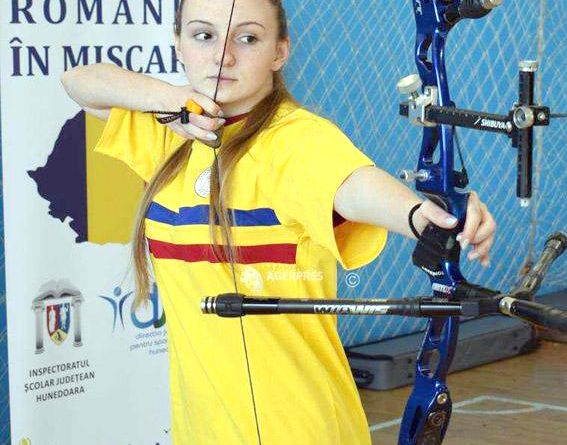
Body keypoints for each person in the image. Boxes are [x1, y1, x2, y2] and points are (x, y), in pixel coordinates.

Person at [61, 0, 496, 444]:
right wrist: (172, 100)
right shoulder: (168, 132)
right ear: (179, 46)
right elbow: (79, 82)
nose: (223, 56)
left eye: (247, 38)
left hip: (301, 428)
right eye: (203, 36)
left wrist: (423, 216)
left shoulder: (297, 139)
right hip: (203, 430)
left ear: (279, 52)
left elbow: (351, 184)